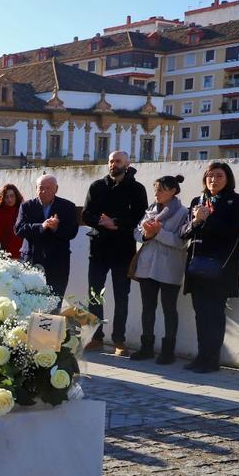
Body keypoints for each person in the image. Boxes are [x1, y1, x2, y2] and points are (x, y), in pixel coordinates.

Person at [82, 151, 149, 355]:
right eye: (111, 161)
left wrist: (116, 223)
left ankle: (119, 340)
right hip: (99, 249)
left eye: (117, 161)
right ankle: (96, 338)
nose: (113, 164)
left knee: (121, 297)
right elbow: (86, 214)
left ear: (127, 164)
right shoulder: (97, 186)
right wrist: (103, 222)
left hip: (123, 250)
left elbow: (140, 218)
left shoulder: (137, 189)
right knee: (95, 295)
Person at [182, 161, 239, 374]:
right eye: (210, 176)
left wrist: (207, 219)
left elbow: (233, 232)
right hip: (197, 266)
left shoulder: (236, 201)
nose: (213, 180)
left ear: (227, 179)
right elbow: (185, 233)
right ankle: (201, 357)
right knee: (200, 314)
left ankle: (212, 360)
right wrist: (196, 221)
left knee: (215, 315)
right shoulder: (197, 201)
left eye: (219, 176)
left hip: (219, 269)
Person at [129, 175, 189, 364]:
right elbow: (137, 233)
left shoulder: (183, 212)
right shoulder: (150, 210)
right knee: (148, 308)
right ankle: (146, 347)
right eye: (155, 189)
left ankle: (168, 351)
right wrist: (146, 234)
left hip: (169, 266)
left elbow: (181, 241)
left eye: (161, 189)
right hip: (147, 266)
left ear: (173, 191)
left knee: (169, 309)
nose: (157, 193)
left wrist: (158, 233)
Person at [15, 175, 79, 301]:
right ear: (36, 188)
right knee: (29, 301)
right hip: (32, 259)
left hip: (57, 262)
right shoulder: (26, 206)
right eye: (41, 188)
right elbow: (19, 229)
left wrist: (56, 228)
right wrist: (41, 226)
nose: (44, 191)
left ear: (56, 189)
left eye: (48, 188)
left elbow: (72, 232)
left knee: (55, 301)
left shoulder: (68, 206)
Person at [0, 183, 25, 259]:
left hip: (18, 249)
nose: (9, 199)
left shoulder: (22, 209)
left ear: (16, 196)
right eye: (6, 197)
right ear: (2, 198)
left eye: (12, 196)